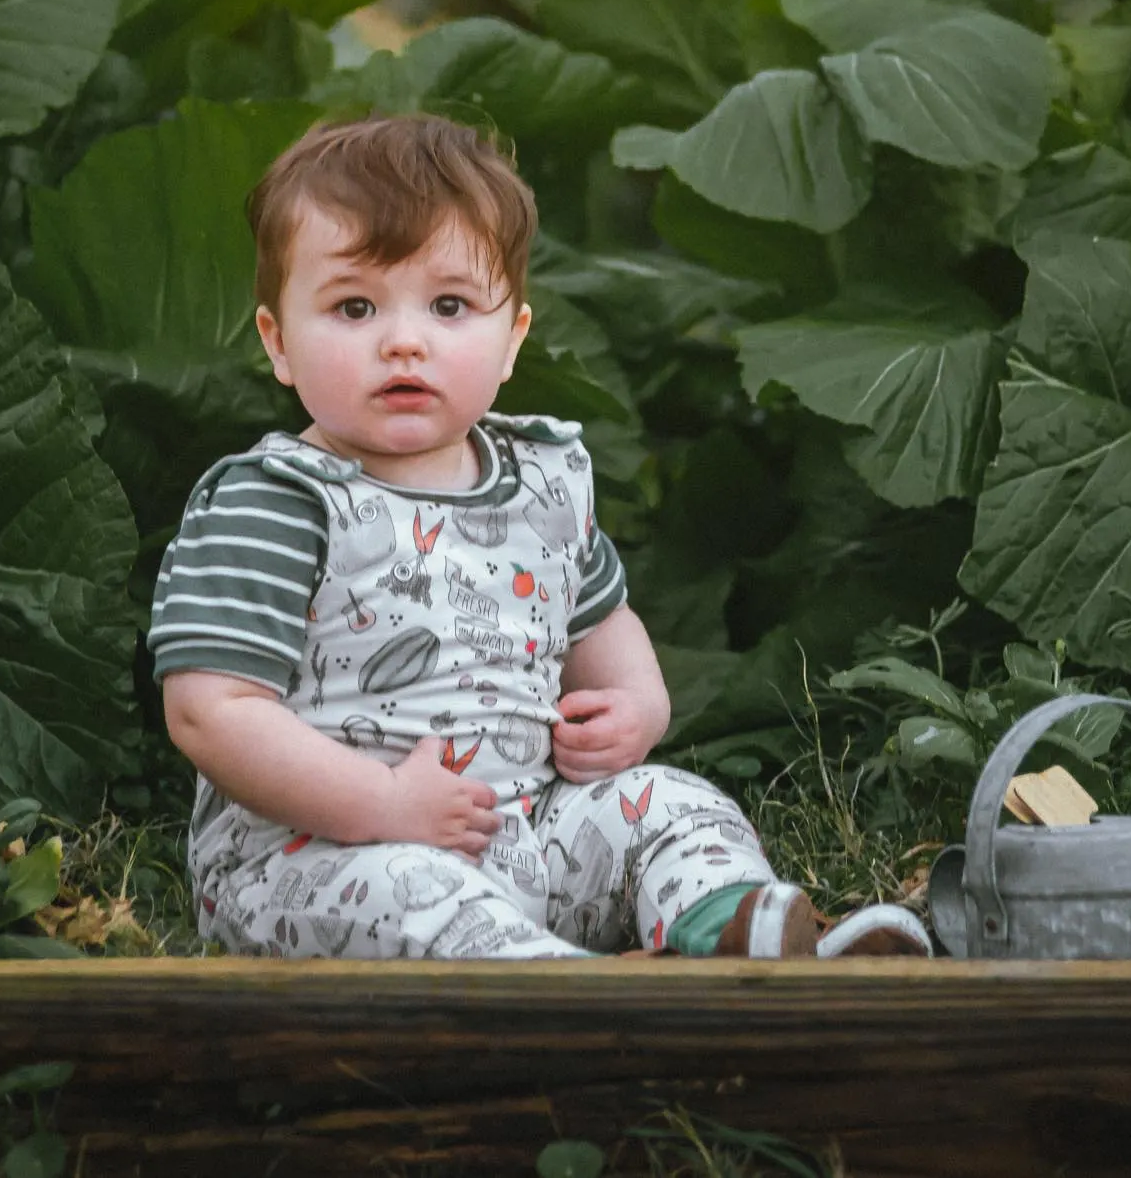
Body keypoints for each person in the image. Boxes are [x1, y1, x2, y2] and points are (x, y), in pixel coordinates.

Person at [151, 115, 933, 961]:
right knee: (411, 897)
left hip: (528, 831)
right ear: (279, 344)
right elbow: (210, 711)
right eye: (354, 306)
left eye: (450, 305)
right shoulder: (278, 501)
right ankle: (559, 992)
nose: (404, 338)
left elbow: (602, 623)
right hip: (321, 858)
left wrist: (639, 705)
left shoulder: (544, 482)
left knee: (669, 801)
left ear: (513, 338)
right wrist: (380, 804)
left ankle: (730, 929)